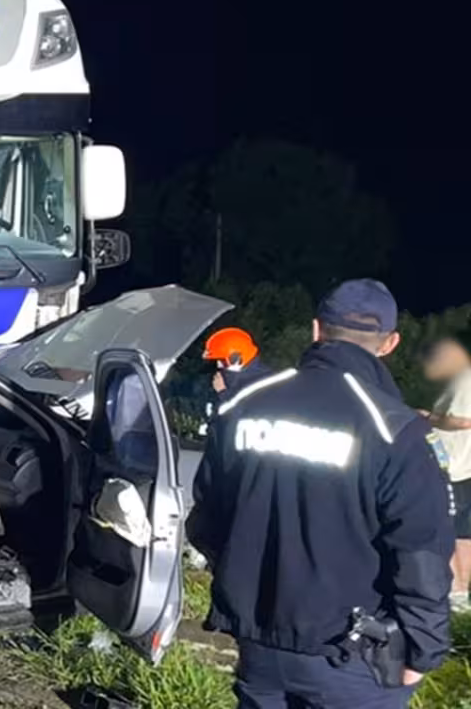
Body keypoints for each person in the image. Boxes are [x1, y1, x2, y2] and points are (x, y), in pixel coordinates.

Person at [187, 279, 454, 708]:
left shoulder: (245, 406)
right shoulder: (393, 429)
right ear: (390, 344)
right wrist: (424, 648)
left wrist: (246, 586)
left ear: (316, 330)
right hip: (353, 655)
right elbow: (420, 551)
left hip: (260, 644)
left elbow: (207, 518)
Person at [419, 333, 471, 612]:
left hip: (450, 464)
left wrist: (427, 417)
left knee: (447, 531)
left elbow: (463, 421)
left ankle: (457, 595)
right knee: (464, 533)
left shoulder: (465, 379)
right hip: (466, 467)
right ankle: (463, 595)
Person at [203, 326, 274, 402]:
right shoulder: (233, 376)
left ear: (236, 359)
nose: (218, 365)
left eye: (222, 361)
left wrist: (223, 393)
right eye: (216, 361)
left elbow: (249, 407)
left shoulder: (262, 383)